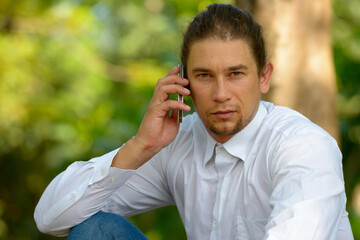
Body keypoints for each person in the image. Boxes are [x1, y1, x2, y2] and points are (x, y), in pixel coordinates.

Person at [34, 4, 353, 240]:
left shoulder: (303, 146)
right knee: (96, 230)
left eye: (236, 74)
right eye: (204, 76)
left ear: (264, 77)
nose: (221, 93)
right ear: (183, 82)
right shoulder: (177, 144)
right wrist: (141, 146)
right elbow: (51, 219)